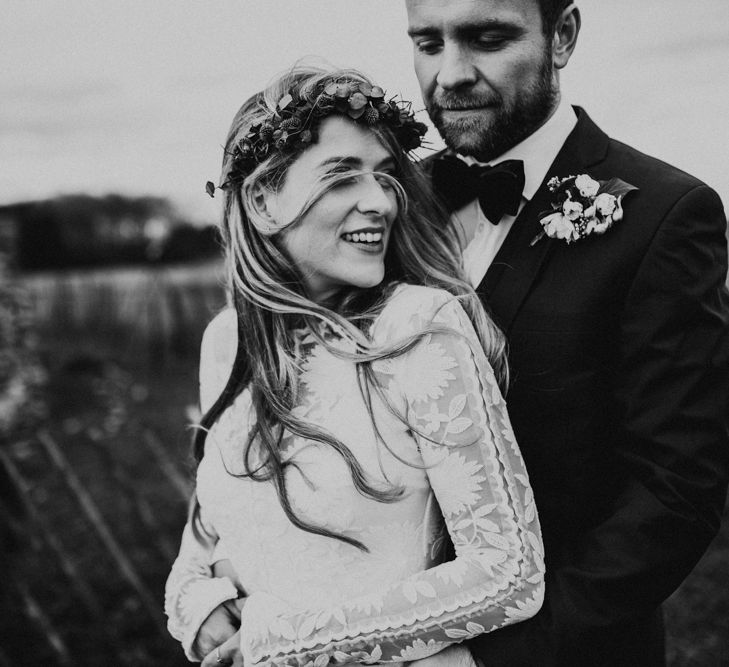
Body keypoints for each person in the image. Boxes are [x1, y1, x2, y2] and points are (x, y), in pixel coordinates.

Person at [164, 65, 545, 666]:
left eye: (386, 176)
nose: (380, 201)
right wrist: (199, 600)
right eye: (343, 175)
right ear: (263, 200)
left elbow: (507, 576)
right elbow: (212, 525)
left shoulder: (420, 326)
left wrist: (288, 645)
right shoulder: (224, 341)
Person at [403, 0, 729, 665]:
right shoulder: (386, 203)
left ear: (563, 35)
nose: (450, 74)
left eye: (487, 39)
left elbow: (675, 490)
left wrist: (487, 658)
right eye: (427, 42)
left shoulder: (665, 215)